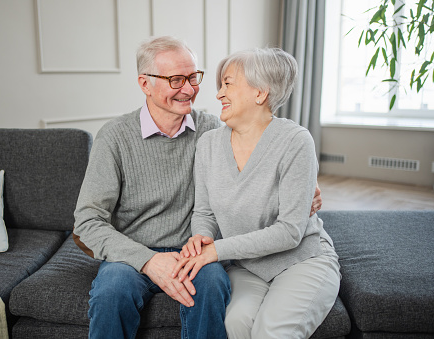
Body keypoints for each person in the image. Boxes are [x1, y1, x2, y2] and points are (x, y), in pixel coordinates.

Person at [74, 36, 322, 339]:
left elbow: (261, 154)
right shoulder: (114, 137)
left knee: (213, 285)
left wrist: (309, 188)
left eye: (193, 77)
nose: (190, 89)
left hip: (195, 253)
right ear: (145, 83)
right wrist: (149, 260)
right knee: (111, 292)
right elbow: (87, 223)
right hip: (132, 253)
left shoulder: (213, 131)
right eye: (176, 79)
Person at [172, 47, 341, 339]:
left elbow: (290, 232)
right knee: (234, 324)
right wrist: (202, 236)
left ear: (260, 93)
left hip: (302, 260)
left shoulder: (295, 141)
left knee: (271, 332)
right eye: (220, 85)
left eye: (228, 83)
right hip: (248, 267)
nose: (219, 94)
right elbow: (204, 213)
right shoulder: (209, 144)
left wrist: (216, 251)